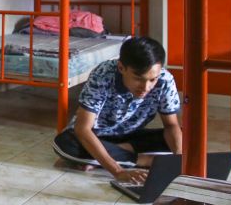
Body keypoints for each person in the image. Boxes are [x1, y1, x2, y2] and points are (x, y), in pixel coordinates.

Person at [52, 36, 182, 184]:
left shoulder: (165, 80)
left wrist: (179, 161)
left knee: (183, 135)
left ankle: (103, 156)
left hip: (130, 136)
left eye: (152, 80)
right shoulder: (103, 75)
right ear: (121, 68)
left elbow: (171, 125)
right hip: (97, 136)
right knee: (65, 143)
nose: (146, 87)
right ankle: (143, 160)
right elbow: (83, 129)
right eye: (138, 78)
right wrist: (117, 171)